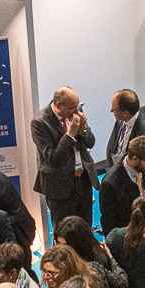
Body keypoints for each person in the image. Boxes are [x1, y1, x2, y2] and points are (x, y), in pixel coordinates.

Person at [31, 86, 98, 229]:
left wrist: (84, 128)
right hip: (59, 186)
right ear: (58, 105)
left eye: (78, 107)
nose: (77, 111)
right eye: (72, 108)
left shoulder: (76, 112)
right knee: (64, 231)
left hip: (83, 180)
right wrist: (70, 135)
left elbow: (91, 143)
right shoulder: (40, 122)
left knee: (85, 227)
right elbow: (53, 158)